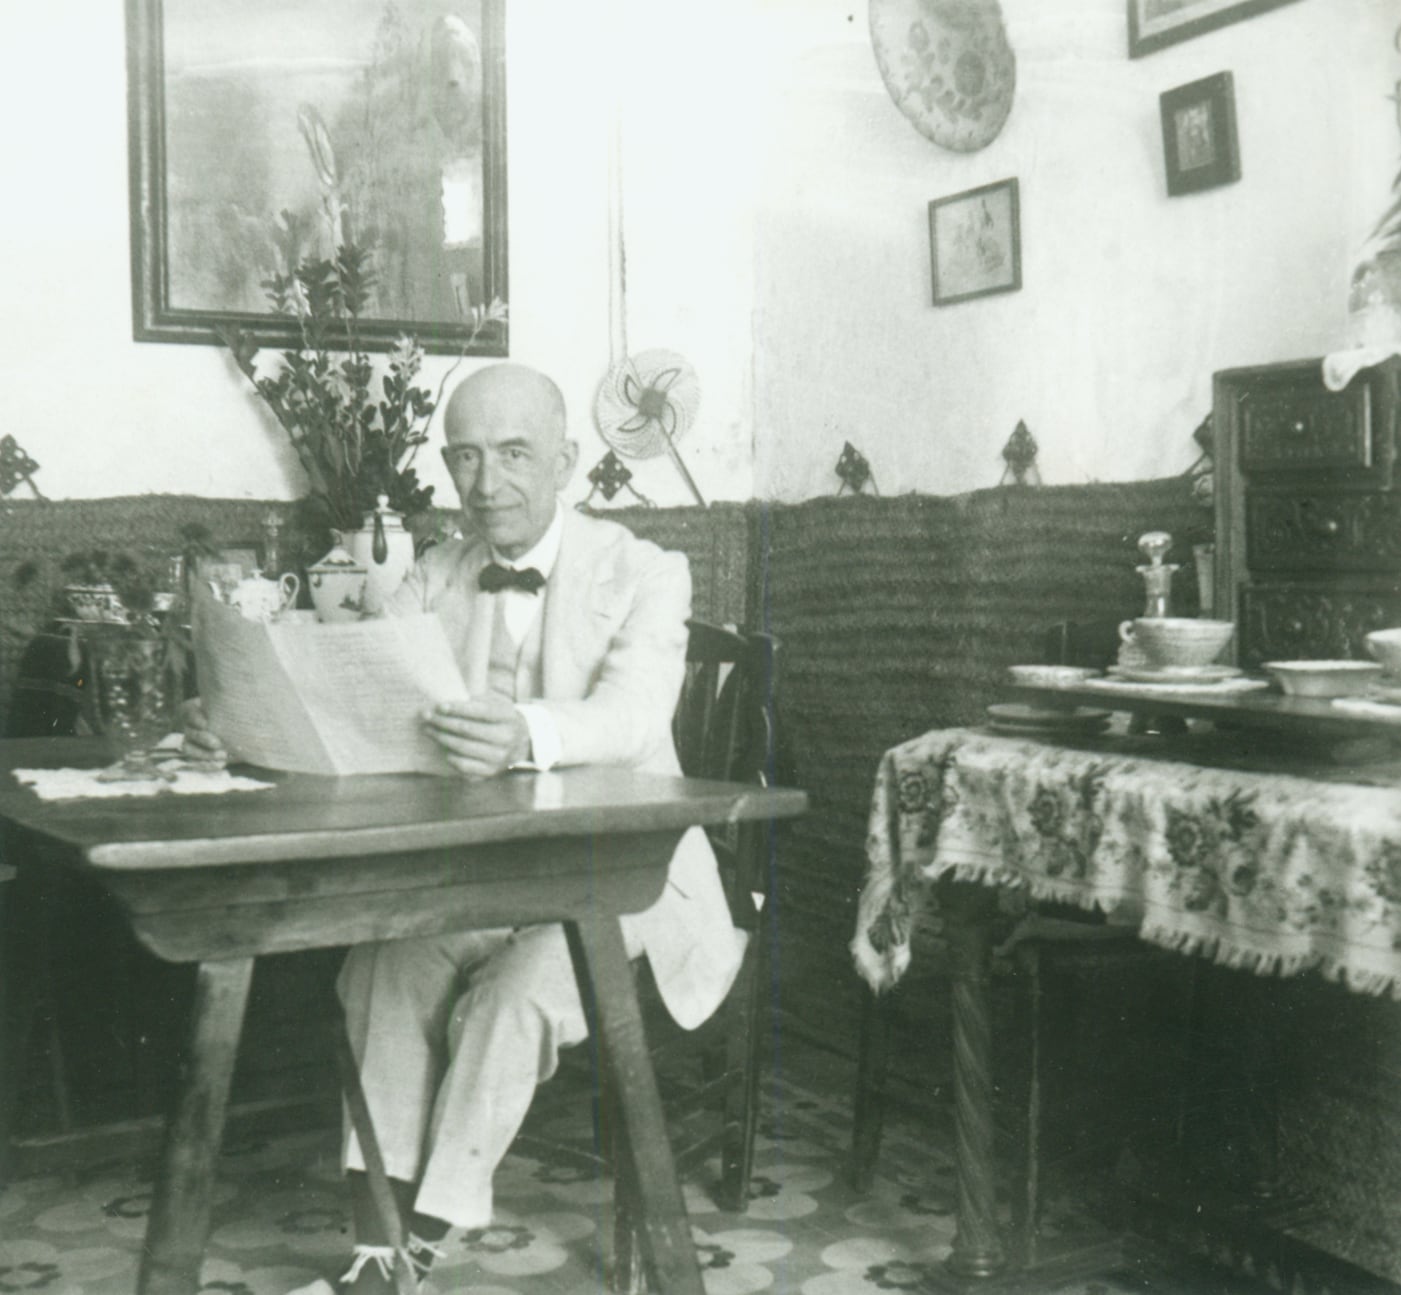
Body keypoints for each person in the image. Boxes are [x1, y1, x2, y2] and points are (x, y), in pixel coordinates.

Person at [186, 363, 743, 1294]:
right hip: (479, 877)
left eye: (516, 454)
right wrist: (245, 723)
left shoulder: (645, 570)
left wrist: (528, 730)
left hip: (624, 877)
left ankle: (419, 1245)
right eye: (468, 458)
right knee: (382, 966)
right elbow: (357, 694)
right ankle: (374, 1248)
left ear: (565, 459)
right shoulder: (431, 575)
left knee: (514, 995)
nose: (488, 485)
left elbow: (638, 716)